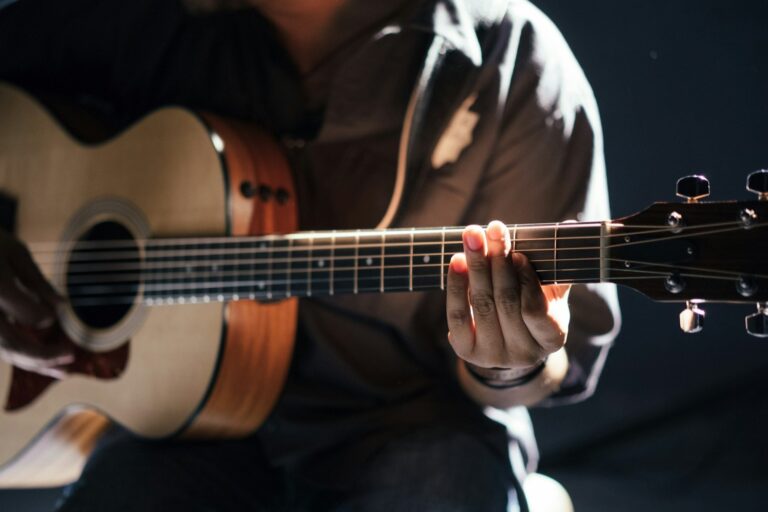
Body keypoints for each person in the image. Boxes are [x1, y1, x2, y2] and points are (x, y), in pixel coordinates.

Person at [0, 0, 620, 510]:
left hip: (414, 426)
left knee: (440, 480)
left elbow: (552, 364)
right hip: (181, 433)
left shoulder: (514, 60)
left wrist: (505, 364)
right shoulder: (145, 21)